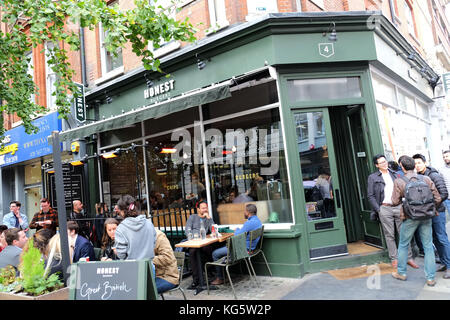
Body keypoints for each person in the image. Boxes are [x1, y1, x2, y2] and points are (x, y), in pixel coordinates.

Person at [391, 156, 441, 287]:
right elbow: (437, 198)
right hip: (426, 217)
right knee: (428, 246)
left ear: (402, 166)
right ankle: (430, 278)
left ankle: (401, 273)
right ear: (414, 165)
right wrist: (427, 208)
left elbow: (394, 201)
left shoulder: (399, 181)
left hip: (410, 217)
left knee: (403, 244)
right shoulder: (426, 179)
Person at [367, 154, 417, 268]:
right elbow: (370, 195)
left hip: (398, 206)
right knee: (389, 235)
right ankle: (394, 258)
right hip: (384, 208)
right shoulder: (373, 177)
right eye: (381, 163)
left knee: (404, 233)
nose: (384, 164)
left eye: (385, 161)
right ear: (376, 165)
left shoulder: (395, 173)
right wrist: (379, 209)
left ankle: (409, 257)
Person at [413, 153, 450, 279]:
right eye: (415, 163)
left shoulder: (433, 175)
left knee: (441, 238)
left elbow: (443, 193)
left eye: (419, 163)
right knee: (435, 238)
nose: (417, 165)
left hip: (437, 212)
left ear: (425, 162)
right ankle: (445, 263)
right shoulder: (419, 176)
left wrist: (430, 206)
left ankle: (449, 266)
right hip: (428, 213)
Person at [210, 203, 262, 285]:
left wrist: (237, 229)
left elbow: (238, 234)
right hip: (251, 248)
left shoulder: (249, 223)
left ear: (248, 212)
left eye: (244, 211)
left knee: (215, 253)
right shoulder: (258, 221)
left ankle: (220, 278)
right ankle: (223, 272)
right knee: (222, 248)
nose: (243, 213)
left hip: (242, 250)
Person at [114, 195, 157, 261]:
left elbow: (121, 255)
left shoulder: (121, 229)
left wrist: (116, 252)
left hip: (131, 268)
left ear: (122, 211)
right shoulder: (149, 223)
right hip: (149, 266)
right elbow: (153, 244)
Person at [184, 201, 215, 290]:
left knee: (207, 249)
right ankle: (196, 280)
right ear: (198, 209)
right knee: (193, 252)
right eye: (203, 208)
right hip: (194, 241)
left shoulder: (207, 218)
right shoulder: (192, 217)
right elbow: (187, 229)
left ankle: (209, 271)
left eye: (206, 208)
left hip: (204, 242)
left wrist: (209, 218)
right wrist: (192, 238)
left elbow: (213, 230)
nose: (205, 210)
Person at [154, 229, 179, 293]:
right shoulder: (132, 235)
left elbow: (167, 258)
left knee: (142, 291)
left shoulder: (159, 236)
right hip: (148, 276)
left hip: (166, 277)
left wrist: (146, 260)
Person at [440, 150, 450, 215]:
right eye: (444, 157)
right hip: (448, 199)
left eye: (447, 156)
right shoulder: (441, 170)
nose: (445, 158)